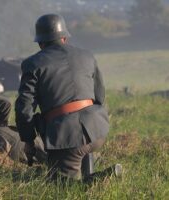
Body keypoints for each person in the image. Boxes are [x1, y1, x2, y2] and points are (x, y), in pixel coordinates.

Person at [15, 14, 119, 180]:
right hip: (97, 130)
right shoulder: (87, 55)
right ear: (64, 37)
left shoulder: (33, 64)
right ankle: (93, 177)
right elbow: (99, 95)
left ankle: (105, 178)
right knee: (82, 154)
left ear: (41, 42)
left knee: (62, 188)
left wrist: (28, 139)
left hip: (67, 137)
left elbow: (24, 107)